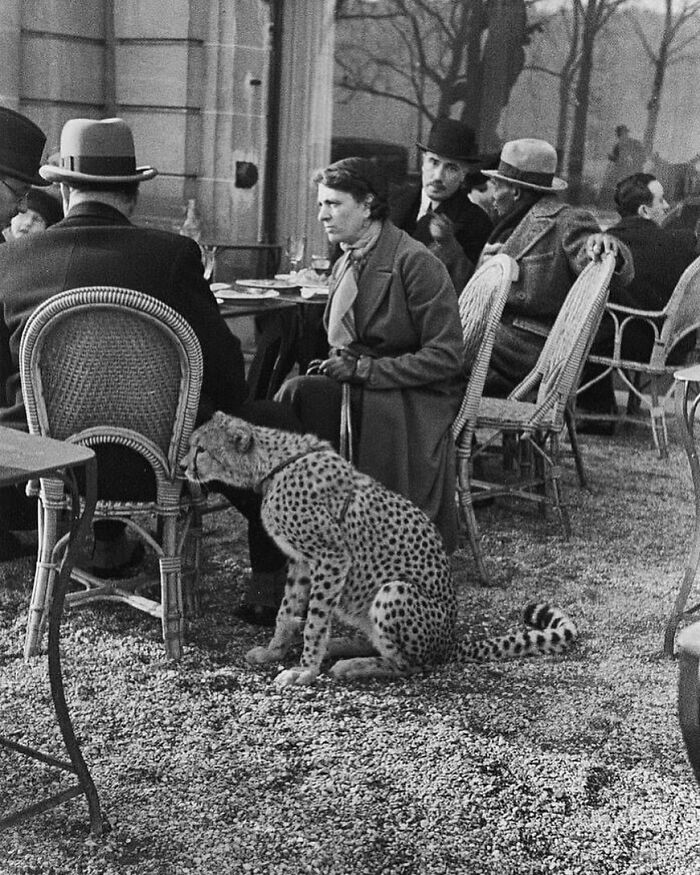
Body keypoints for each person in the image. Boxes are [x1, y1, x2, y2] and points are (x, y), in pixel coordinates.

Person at [0, 116, 300, 626]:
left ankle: (107, 550)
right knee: (275, 421)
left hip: (52, 465)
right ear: (133, 192)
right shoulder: (173, 256)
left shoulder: (13, 260)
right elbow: (226, 378)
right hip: (159, 463)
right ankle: (270, 581)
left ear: (65, 191)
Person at [275, 157, 464, 554]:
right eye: (321, 204)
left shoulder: (415, 262)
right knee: (294, 393)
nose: (322, 214)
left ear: (368, 205)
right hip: (370, 386)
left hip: (412, 397)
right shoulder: (347, 258)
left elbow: (446, 357)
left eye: (334, 204)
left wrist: (364, 369)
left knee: (298, 397)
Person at [478, 137, 633, 397]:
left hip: (527, 350)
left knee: (436, 351)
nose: (493, 194)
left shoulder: (565, 221)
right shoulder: (507, 225)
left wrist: (608, 246)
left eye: (497, 185)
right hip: (500, 340)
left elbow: (605, 263)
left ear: (515, 191)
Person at [578, 172, 699, 424]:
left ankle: (597, 413)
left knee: (587, 328)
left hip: (631, 341)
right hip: (677, 345)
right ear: (644, 210)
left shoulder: (607, 245)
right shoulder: (681, 243)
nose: (667, 206)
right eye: (662, 200)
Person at [390, 118, 493, 293]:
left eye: (451, 168)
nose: (438, 176)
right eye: (434, 162)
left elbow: (469, 288)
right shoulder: (393, 201)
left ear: (464, 174)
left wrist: (449, 244)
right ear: (423, 162)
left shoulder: (476, 222)